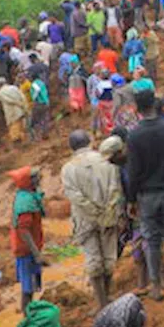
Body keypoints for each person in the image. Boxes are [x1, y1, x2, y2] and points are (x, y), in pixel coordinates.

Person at [126, 87, 164, 301]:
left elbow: (134, 171)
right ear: (155, 104)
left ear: (137, 109)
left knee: (152, 240)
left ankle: (157, 285)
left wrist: (131, 199)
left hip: (147, 195)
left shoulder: (134, 135)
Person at [61, 130, 123, 310]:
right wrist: (106, 212)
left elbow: (75, 196)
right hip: (108, 217)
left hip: (85, 220)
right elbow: (115, 189)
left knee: (93, 260)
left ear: (71, 147)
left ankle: (101, 301)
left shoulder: (68, 168)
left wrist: (93, 212)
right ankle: (108, 294)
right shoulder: (106, 162)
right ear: (90, 141)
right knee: (109, 258)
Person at [8, 167, 45, 311]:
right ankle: (26, 316)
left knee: (32, 284)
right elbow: (24, 231)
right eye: (36, 178)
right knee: (27, 287)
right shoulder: (25, 203)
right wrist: (36, 253)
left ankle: (29, 313)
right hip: (26, 250)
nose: (39, 181)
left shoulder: (27, 196)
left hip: (29, 248)